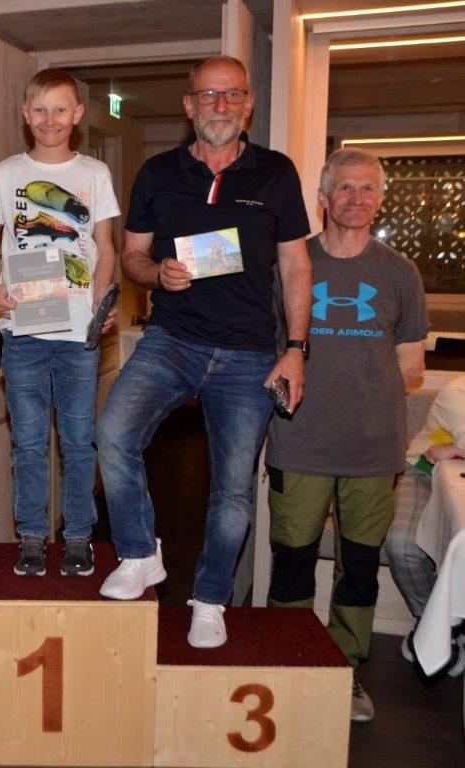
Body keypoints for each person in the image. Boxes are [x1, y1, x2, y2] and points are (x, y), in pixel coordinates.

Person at [95, 56, 312, 650]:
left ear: (248, 104)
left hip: (249, 353)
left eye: (232, 94)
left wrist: (296, 349)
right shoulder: (157, 172)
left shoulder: (276, 173)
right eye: (208, 95)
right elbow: (133, 256)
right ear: (189, 105)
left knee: (233, 489)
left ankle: (211, 598)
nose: (220, 105)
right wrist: (157, 274)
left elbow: (296, 266)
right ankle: (139, 553)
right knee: (112, 433)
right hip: (172, 339)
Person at [265, 148, 429, 722]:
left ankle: (345, 669)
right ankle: (287, 662)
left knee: (359, 567)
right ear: (323, 197)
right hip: (299, 440)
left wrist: (358, 393)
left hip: (373, 448)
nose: (356, 198)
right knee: (292, 559)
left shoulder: (399, 272)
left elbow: (411, 363)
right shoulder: (292, 263)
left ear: (380, 198)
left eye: (367, 188)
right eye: (345, 188)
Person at [0, 68, 119, 577]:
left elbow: (105, 248)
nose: (50, 119)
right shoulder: (5, 173)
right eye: (40, 109)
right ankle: (32, 537)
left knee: (79, 442)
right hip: (24, 332)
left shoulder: (95, 174)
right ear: (25, 113)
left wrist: (101, 300)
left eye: (60, 109)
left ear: (77, 114)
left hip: (79, 335)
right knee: (29, 444)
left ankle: (78, 537)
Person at [385, 375, 465, 675]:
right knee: (401, 544)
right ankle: (435, 624)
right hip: (423, 475)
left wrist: (456, 451)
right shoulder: (457, 391)